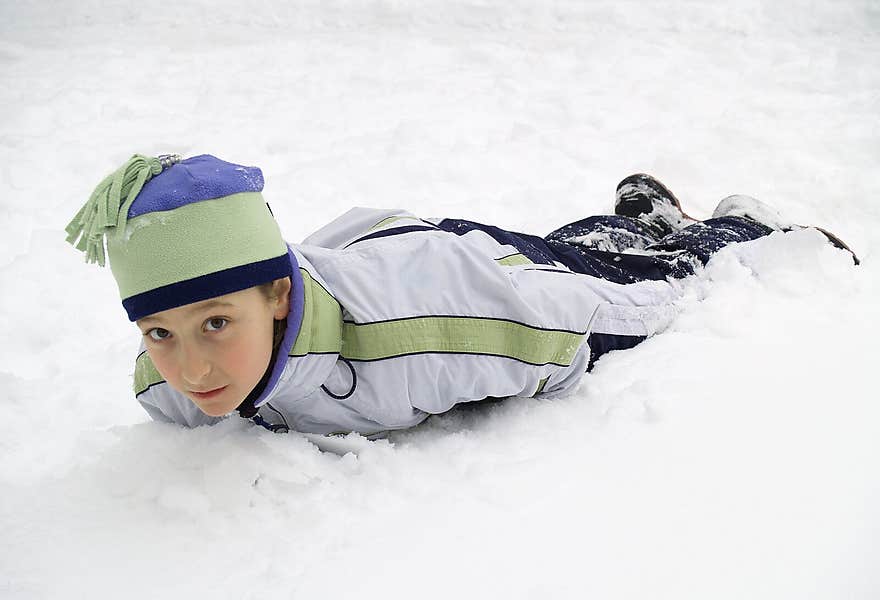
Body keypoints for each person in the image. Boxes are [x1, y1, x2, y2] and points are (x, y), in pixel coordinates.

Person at [65, 154, 858, 437]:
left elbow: (570, 314)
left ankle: (735, 234)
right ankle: (639, 222)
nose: (192, 366)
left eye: (213, 323)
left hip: (460, 278)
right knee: (559, 253)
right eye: (160, 334)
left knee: (620, 280)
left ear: (274, 297)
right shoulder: (164, 385)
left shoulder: (422, 333)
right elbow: (180, 354)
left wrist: (698, 287)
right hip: (389, 249)